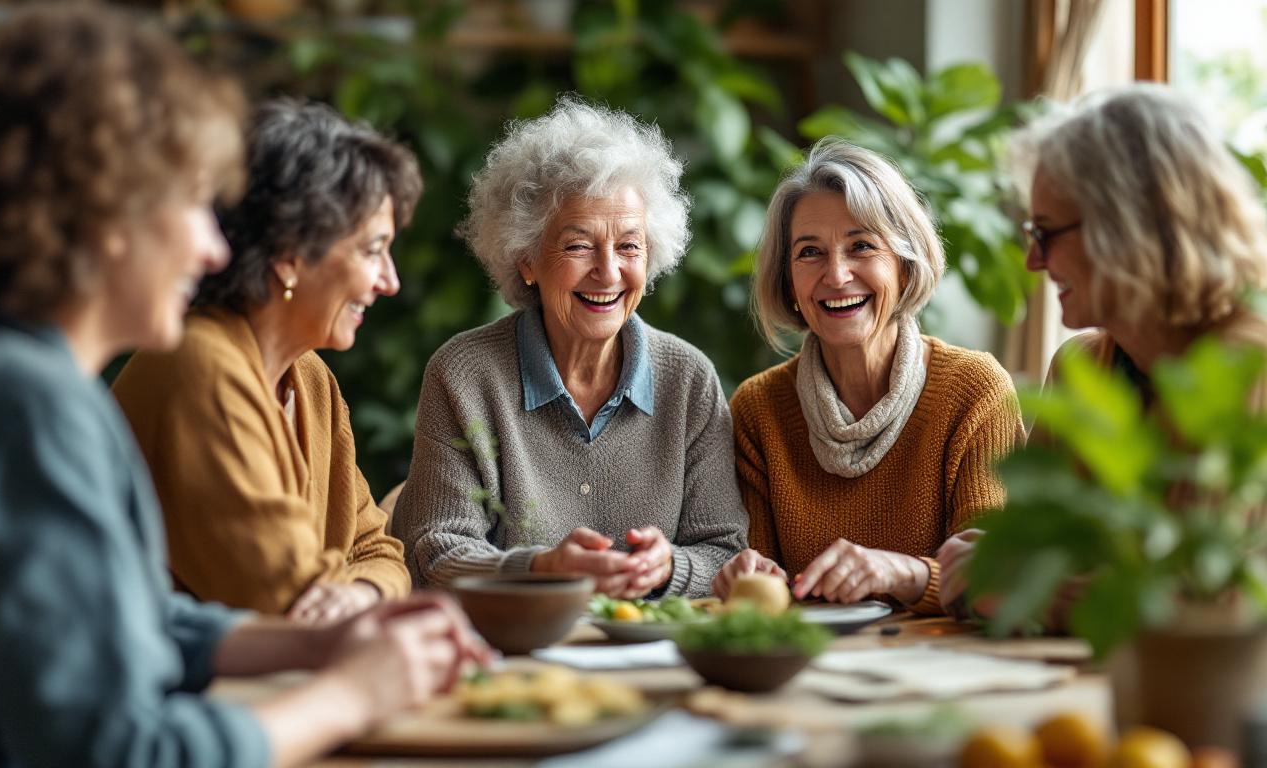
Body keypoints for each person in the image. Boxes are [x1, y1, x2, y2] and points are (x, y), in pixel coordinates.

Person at [0, 8, 484, 766]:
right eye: (192, 202)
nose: (214, 245)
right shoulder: (22, 406)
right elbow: (114, 752)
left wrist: (325, 638)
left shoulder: (12, 378)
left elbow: (137, 623)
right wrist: (352, 693)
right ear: (101, 210)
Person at [391, 97, 747, 598]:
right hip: (510, 650)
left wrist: (668, 570)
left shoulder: (688, 379)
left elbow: (726, 551)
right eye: (578, 246)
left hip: (648, 650)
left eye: (629, 245)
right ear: (527, 260)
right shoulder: (465, 374)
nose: (608, 272)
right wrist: (541, 568)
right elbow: (436, 549)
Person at [937, 84, 1267, 613]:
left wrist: (1025, 588)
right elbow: (1029, 552)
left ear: (1132, 226)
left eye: (1046, 233)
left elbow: (1209, 606)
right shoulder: (1081, 366)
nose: (1032, 262)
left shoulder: (1251, 364)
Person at [113, 99, 414, 624]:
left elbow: (381, 551)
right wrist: (364, 588)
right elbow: (286, 598)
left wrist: (364, 591)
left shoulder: (310, 377)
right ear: (291, 255)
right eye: (372, 250)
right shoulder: (199, 367)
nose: (389, 281)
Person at [713, 140, 1025, 614]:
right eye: (810, 252)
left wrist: (905, 573)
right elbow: (759, 592)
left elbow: (1000, 576)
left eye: (861, 246)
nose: (836, 275)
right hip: (807, 669)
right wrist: (747, 573)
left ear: (903, 264)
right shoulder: (759, 408)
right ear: (788, 282)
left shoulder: (975, 390)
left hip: (946, 667)